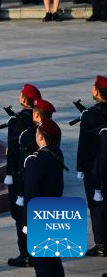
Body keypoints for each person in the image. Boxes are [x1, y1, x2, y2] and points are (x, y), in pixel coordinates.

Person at [22, 120, 66, 277]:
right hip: (55, 210)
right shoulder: (56, 154)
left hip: (39, 216)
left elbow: (31, 193)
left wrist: (27, 223)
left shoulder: (35, 160)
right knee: (54, 259)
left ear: (41, 137)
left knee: (42, 264)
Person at [77, 75, 107, 258]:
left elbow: (84, 144)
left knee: (96, 206)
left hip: (95, 167)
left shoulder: (89, 115)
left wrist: (80, 167)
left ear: (96, 91)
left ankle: (102, 243)